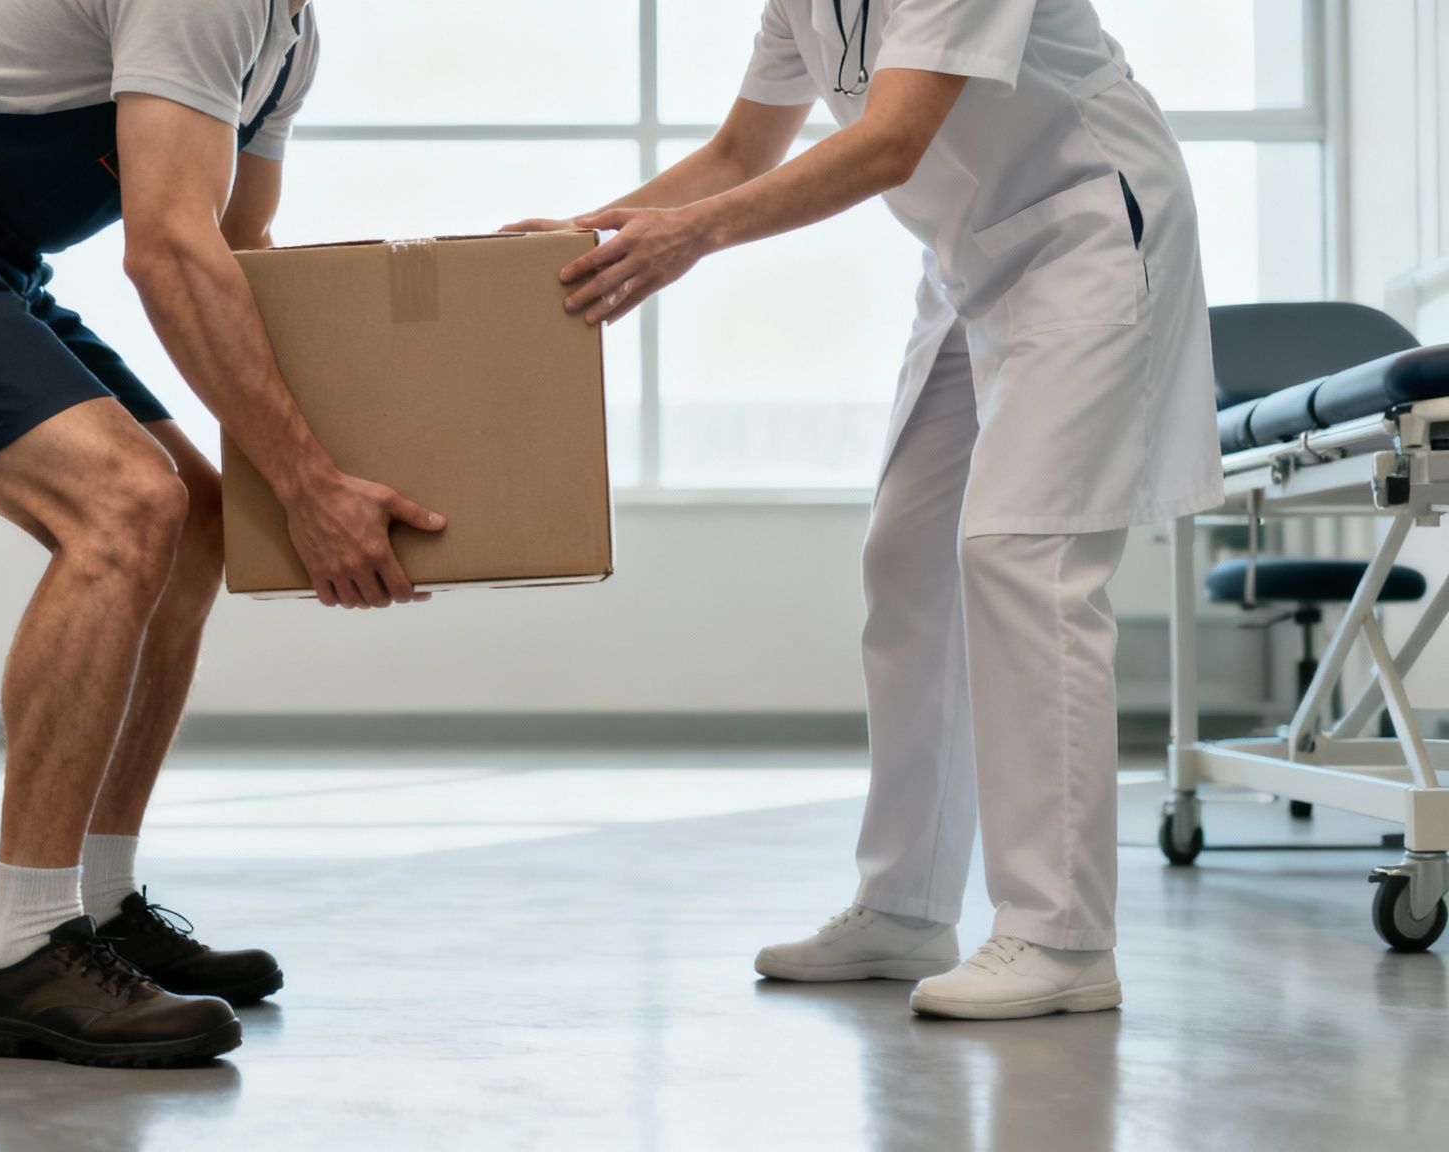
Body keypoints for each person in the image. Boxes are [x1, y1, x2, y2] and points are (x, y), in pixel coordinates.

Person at [0, 0, 444, 1067]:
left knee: (199, 518)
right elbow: (167, 253)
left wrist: (342, 465)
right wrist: (305, 487)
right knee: (125, 502)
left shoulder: (288, 40)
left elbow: (239, 255)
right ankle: (23, 950)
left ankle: (100, 908)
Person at [509, 0, 1220, 1020]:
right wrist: (590, 235)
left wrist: (689, 238)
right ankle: (904, 905)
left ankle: (1061, 936)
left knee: (1023, 555)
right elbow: (738, 151)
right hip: (972, 266)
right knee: (907, 560)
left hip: (1089, 237)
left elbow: (890, 143)